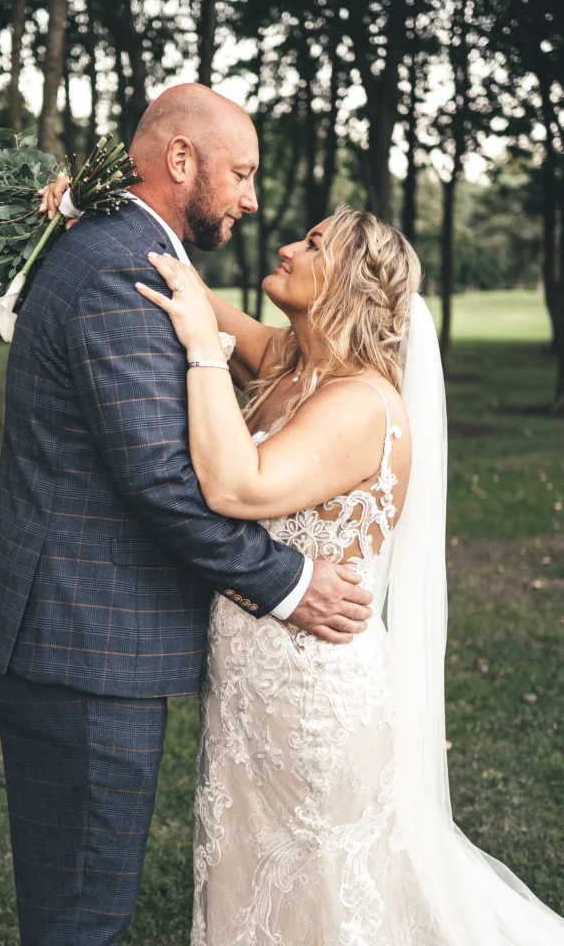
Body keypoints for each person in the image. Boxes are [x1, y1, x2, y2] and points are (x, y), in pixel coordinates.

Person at [0, 84, 374, 946]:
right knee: (81, 914)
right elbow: (159, 477)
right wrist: (289, 582)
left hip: (72, 632)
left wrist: (79, 198)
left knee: (73, 901)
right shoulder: (120, 265)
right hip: (83, 645)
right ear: (181, 161)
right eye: (242, 173)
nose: (252, 199)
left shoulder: (120, 247)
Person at [139, 206, 564, 945]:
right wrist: (88, 203)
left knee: (325, 891)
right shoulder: (286, 363)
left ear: (352, 284)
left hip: (315, 699)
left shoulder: (361, 403)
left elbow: (238, 488)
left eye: (311, 245)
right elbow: (186, 281)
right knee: (250, 875)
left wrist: (203, 352)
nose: (284, 246)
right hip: (248, 691)